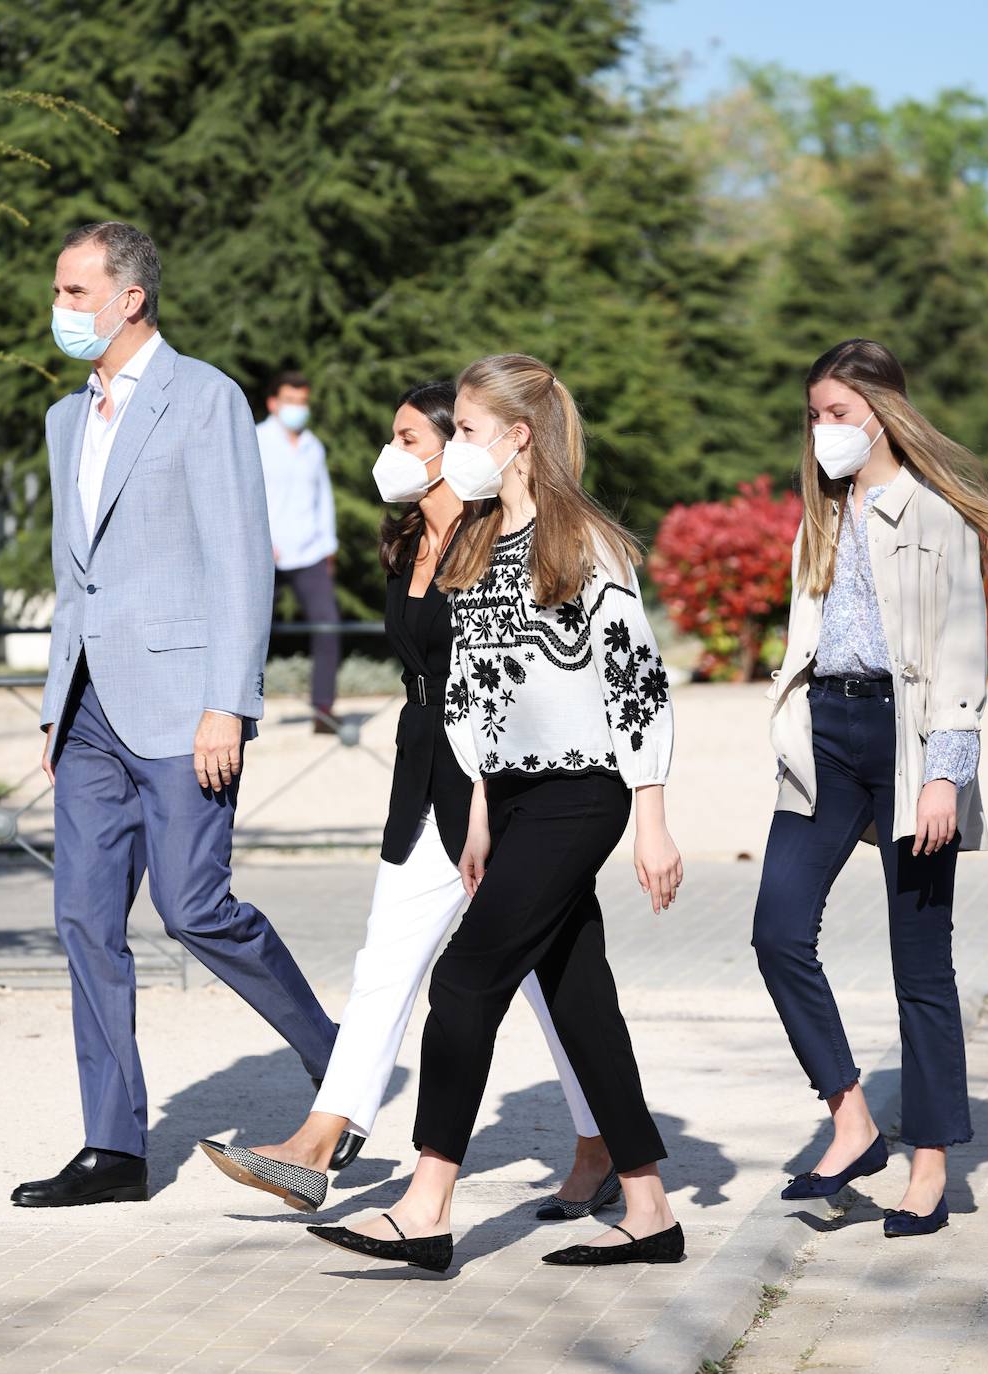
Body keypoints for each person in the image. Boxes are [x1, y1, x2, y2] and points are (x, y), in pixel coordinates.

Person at [198, 381, 618, 1217]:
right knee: (386, 959)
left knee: (549, 976)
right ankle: (317, 1145)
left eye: (407, 437)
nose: (391, 454)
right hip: (419, 771)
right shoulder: (402, 544)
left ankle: (602, 1143)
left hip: (495, 781)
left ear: (448, 447)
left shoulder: (498, 535)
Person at [308, 353, 685, 1273]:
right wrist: (477, 806)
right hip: (507, 797)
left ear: (518, 437)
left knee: (467, 979)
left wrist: (652, 815)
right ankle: (649, 1212)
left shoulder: (584, 542)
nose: (457, 449)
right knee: (578, 996)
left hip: (581, 794)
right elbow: (475, 694)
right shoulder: (477, 548)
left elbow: (636, 683)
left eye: (468, 431)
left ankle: (426, 1206)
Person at [11, 222, 338, 1210]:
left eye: (74, 293)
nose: (60, 310)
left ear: (129, 299)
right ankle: (113, 1148)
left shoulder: (205, 399)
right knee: (82, 918)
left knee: (193, 908)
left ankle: (344, 1068)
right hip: (88, 713)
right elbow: (78, 579)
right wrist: (54, 704)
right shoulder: (70, 419)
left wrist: (227, 707)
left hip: (183, 702)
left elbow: (241, 560)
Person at [752, 338, 988, 1239]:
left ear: (883, 414)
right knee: (776, 929)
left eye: (839, 413)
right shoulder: (817, 516)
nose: (824, 430)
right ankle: (851, 1118)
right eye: (815, 414)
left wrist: (945, 774)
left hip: (906, 745)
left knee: (919, 965)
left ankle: (931, 1165)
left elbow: (958, 661)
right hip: (825, 735)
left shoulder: (934, 518)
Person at [257, 371, 340, 731]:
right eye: (291, 401)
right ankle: (238, 708)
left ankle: (323, 710)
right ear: (273, 403)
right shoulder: (255, 440)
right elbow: (245, 496)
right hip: (265, 554)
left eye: (303, 401)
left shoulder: (313, 446)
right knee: (250, 631)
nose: (298, 408)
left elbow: (323, 499)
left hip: (310, 554)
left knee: (328, 627)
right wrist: (258, 540)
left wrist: (329, 547)